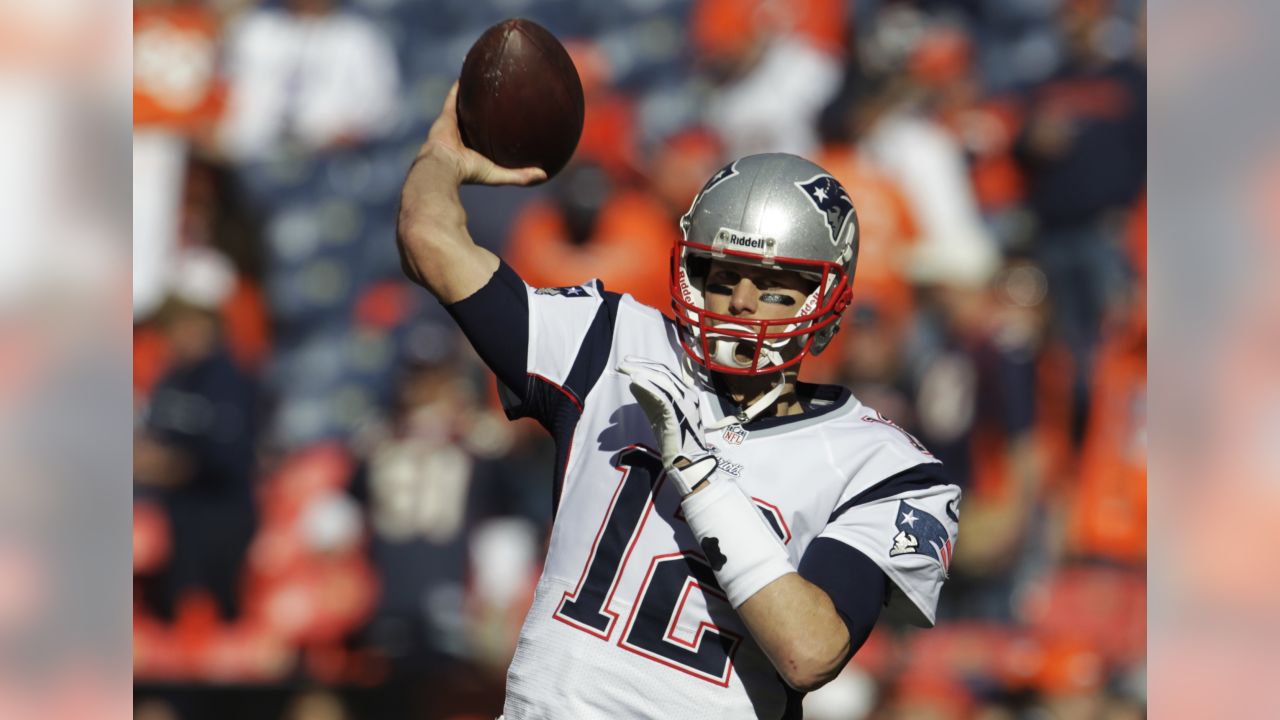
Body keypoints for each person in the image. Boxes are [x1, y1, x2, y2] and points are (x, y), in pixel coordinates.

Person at [396, 83, 960, 718]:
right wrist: (442, 157)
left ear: (824, 306)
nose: (742, 303)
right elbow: (430, 240)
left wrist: (701, 474)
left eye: (774, 288)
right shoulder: (610, 342)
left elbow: (809, 651)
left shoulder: (884, 465)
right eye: (722, 277)